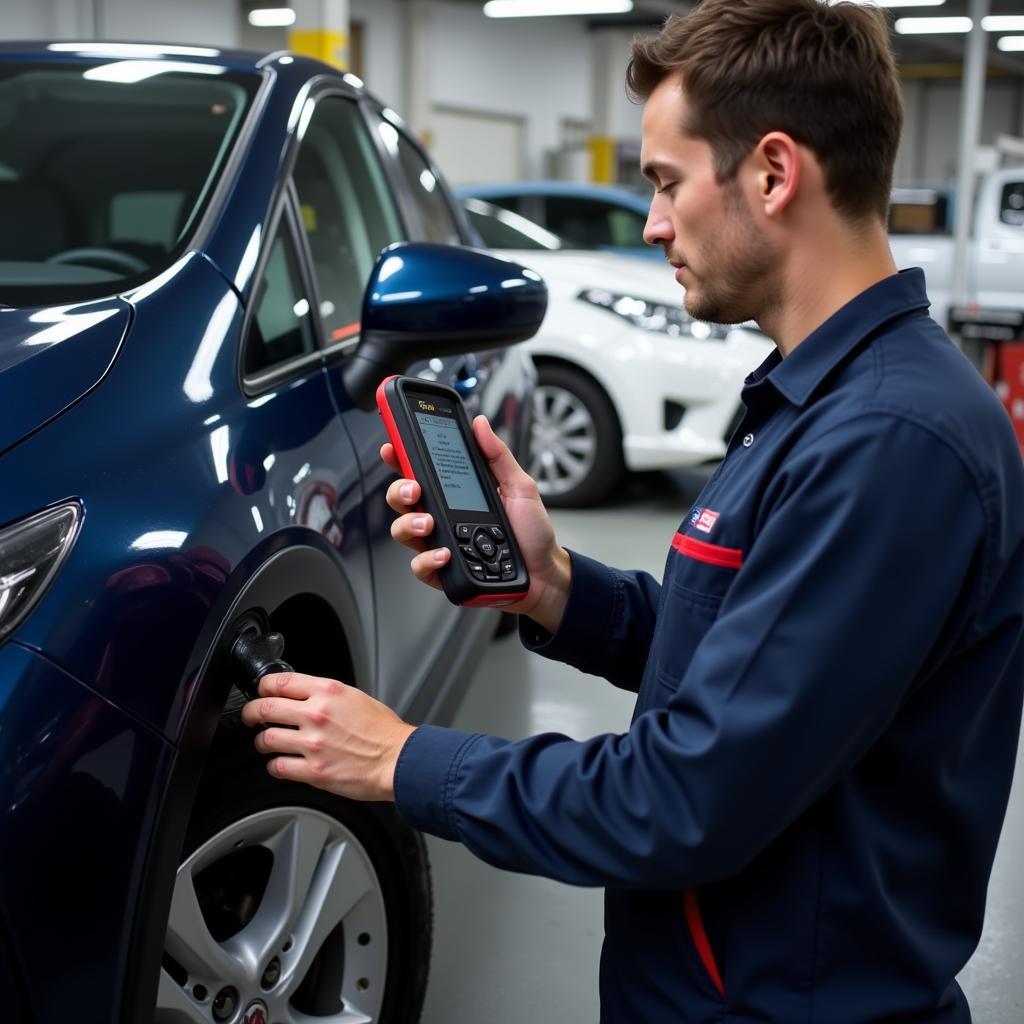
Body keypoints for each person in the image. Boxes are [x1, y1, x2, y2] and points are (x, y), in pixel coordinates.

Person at [241, 1, 1024, 1019]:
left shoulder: (886, 442)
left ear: (774, 173)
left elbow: (683, 799)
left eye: (664, 182)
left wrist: (402, 759)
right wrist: (558, 588)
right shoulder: (820, 399)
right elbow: (750, 664)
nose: (652, 224)